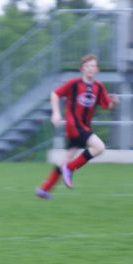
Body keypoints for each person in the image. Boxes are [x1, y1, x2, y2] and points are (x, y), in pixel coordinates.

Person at [36, 54, 119, 199]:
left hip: (84, 127)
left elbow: (108, 105)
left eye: (93, 66)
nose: (90, 69)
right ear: (82, 69)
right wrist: (56, 113)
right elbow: (55, 94)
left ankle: (44, 189)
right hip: (74, 125)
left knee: (66, 159)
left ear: (97, 69)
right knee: (99, 147)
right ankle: (70, 168)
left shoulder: (98, 87)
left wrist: (115, 102)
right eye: (87, 66)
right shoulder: (74, 83)